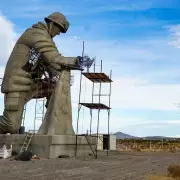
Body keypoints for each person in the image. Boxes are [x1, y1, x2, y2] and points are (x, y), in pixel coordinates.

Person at [0, 12, 80, 134]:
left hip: (32, 84)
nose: (58, 33)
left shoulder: (46, 40)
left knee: (56, 87)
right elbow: (54, 58)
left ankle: (53, 119)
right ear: (52, 24)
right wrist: (77, 61)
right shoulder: (36, 34)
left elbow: (52, 65)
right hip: (17, 84)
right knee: (10, 125)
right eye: (59, 29)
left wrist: (59, 78)